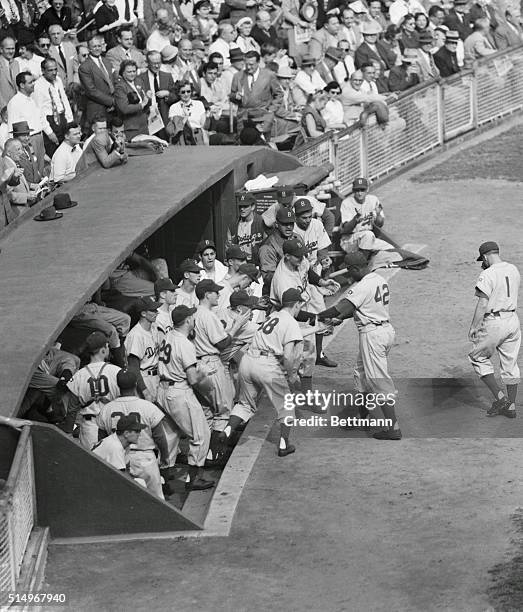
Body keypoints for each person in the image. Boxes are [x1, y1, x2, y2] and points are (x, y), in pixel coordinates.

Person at [318, 251, 401, 439]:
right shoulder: (378, 279)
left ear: (356, 268)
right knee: (361, 374)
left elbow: (342, 307)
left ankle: (393, 429)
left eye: (350, 271)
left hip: (372, 335)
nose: (349, 275)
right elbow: (357, 308)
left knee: (379, 381)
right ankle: (363, 416)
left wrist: (318, 316)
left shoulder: (362, 286)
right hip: (384, 330)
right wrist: (339, 318)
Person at [219, 287, 306, 456]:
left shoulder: (273, 316)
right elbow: (288, 356)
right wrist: (292, 375)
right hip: (266, 365)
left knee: (245, 404)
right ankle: (283, 444)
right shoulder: (291, 322)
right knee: (286, 404)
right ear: (296, 304)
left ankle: (228, 430)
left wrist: (315, 329)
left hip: (248, 361)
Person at [157, 305, 216, 490]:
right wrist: (205, 372)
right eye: (192, 316)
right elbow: (192, 378)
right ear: (188, 320)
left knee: (170, 436)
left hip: (163, 390)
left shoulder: (168, 336)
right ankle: (194, 479)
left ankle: (163, 479)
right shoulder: (185, 343)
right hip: (179, 392)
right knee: (201, 434)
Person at [193, 279, 251, 463]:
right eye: (215, 292)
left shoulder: (194, 313)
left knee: (208, 413)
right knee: (224, 412)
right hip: (211, 363)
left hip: (197, 364)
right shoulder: (207, 315)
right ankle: (214, 456)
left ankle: (205, 455)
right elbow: (222, 343)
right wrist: (236, 327)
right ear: (207, 294)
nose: (218, 294)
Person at [468, 241, 520, 418]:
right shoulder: (514, 269)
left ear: (484, 256)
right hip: (513, 320)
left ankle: (500, 398)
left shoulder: (487, 274)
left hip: (494, 322)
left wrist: (474, 326)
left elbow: (483, 303)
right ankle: (511, 406)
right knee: (510, 364)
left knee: (478, 357)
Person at [97, 370, 169, 498]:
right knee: (157, 502)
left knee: (127, 500)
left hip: (118, 458)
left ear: (118, 385)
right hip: (145, 459)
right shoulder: (148, 406)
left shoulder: (106, 409)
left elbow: (101, 439)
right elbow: (160, 437)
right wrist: (165, 457)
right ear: (136, 384)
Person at [66, 331, 122, 449]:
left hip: (90, 427)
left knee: (92, 464)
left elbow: (71, 409)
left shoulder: (79, 375)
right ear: (103, 349)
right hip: (114, 424)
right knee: (116, 464)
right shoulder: (116, 371)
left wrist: (68, 433)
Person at [7, 72, 48, 171]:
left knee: (41, 169)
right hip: (28, 140)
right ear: (22, 85)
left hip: (39, 138)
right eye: (30, 82)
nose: (34, 84)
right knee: (33, 170)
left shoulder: (32, 99)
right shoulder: (15, 102)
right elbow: (12, 128)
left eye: (34, 81)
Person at [230, 50, 283, 126]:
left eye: (251, 64)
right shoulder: (238, 76)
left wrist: (271, 110)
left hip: (262, 117)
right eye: (246, 64)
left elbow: (279, 94)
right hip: (243, 118)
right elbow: (231, 95)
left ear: (258, 62)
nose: (248, 67)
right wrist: (235, 96)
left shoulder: (268, 75)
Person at [33, 57, 73, 155]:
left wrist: (70, 120)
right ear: (43, 71)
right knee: (55, 152)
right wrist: (49, 132)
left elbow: (64, 99)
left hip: (62, 117)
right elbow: (39, 112)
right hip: (50, 121)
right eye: (50, 70)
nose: (54, 72)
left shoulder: (58, 80)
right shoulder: (38, 86)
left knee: (67, 149)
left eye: (55, 69)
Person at [124, 297, 161, 403]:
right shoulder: (136, 335)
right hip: (144, 379)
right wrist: (145, 392)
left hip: (156, 377)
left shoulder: (154, 328)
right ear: (143, 313)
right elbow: (133, 368)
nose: (156, 312)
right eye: (153, 310)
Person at [339, 177, 386, 254]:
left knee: (390, 249)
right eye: (357, 190)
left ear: (367, 190)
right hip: (349, 240)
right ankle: (362, 264)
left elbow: (380, 224)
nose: (360, 193)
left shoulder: (373, 200)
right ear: (353, 191)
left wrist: (378, 214)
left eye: (362, 190)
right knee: (368, 235)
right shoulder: (347, 203)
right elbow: (346, 229)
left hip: (368, 238)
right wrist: (355, 219)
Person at [136, 50, 176, 140]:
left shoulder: (167, 76)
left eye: (159, 63)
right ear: (148, 63)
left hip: (164, 117)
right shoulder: (140, 78)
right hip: (148, 117)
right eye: (154, 63)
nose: (157, 66)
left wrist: (168, 94)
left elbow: (175, 96)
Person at [79, 36, 116, 126]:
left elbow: (113, 82)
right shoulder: (84, 67)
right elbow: (91, 91)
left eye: (99, 46)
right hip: (98, 109)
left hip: (113, 109)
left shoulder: (107, 62)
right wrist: (111, 101)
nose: (97, 48)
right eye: (94, 46)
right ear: (89, 49)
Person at [258, 205, 297, 291]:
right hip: (275, 293)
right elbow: (268, 278)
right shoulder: (267, 247)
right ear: (276, 224)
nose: (289, 227)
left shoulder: (296, 237)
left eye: (291, 223)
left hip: (297, 288)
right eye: (285, 224)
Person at [114, 59, 151, 140]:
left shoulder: (139, 81)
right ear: (123, 73)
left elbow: (146, 101)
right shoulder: (120, 87)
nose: (132, 74)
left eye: (134, 71)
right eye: (129, 72)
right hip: (131, 127)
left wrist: (148, 97)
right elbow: (125, 108)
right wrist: (142, 105)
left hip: (144, 124)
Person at [226, 191, 265, 263]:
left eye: (245, 206)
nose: (242, 209)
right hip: (240, 264)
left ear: (253, 207)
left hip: (257, 264)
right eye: (240, 206)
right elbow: (229, 247)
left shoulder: (261, 222)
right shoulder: (233, 225)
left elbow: (267, 247)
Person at [3, 138, 39, 207]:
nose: (21, 152)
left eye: (22, 149)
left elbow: (18, 186)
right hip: (17, 211)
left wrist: (29, 191)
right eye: (18, 149)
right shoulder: (6, 167)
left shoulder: (12, 163)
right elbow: (7, 194)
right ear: (8, 153)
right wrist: (26, 196)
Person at [0, 37, 19, 108]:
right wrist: (3, 107)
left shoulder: (16, 63)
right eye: (8, 49)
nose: (11, 51)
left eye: (13, 48)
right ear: (1, 49)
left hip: (15, 107)